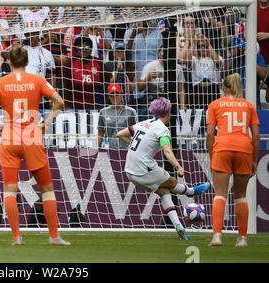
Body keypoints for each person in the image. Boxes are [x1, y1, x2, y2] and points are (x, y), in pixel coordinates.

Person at [0, 45, 70, 246]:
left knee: (10, 190)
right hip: (32, 135)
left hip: (9, 136)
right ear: (27, 62)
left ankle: (17, 237)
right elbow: (59, 102)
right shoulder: (37, 80)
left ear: (9, 62)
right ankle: (54, 236)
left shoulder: (1, 82)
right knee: (47, 190)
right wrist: (46, 123)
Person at [116, 97, 211, 240]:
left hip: (130, 170)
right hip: (143, 169)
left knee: (164, 191)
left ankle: (178, 226)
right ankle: (191, 192)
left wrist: (136, 148)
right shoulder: (163, 130)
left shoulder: (145, 123)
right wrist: (178, 166)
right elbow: (167, 151)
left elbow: (120, 134)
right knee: (172, 182)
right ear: (168, 113)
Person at [206, 73, 260, 247]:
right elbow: (256, 135)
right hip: (244, 148)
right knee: (241, 196)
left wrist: (212, 154)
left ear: (223, 87)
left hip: (222, 147)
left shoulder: (215, 105)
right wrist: (254, 159)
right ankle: (242, 238)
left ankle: (217, 236)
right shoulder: (249, 106)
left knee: (220, 194)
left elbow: (209, 133)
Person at [98, 83, 137, 149]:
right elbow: (100, 132)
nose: (115, 97)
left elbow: (136, 132)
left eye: (117, 94)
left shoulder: (131, 112)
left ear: (121, 95)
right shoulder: (103, 112)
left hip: (126, 148)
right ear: (109, 96)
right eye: (112, 95)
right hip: (109, 148)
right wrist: (98, 148)